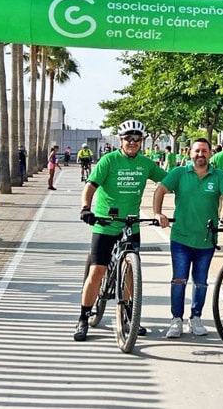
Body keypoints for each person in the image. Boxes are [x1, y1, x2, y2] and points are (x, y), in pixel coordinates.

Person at [73, 119, 168, 342]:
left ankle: (129, 317)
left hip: (131, 224)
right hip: (105, 224)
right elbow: (90, 186)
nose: (133, 142)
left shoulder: (146, 164)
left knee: (131, 272)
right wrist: (86, 208)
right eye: (128, 139)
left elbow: (168, 182)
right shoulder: (109, 160)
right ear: (121, 140)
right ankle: (84, 317)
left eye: (137, 139)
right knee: (97, 271)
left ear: (142, 141)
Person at [153, 138, 223, 338]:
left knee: (200, 281)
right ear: (190, 153)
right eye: (197, 151)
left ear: (210, 154)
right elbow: (160, 190)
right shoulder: (179, 173)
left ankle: (196, 317)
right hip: (181, 238)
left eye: (204, 151)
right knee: (179, 280)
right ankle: (176, 320)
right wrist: (158, 213)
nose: (201, 155)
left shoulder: (219, 176)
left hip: (206, 240)